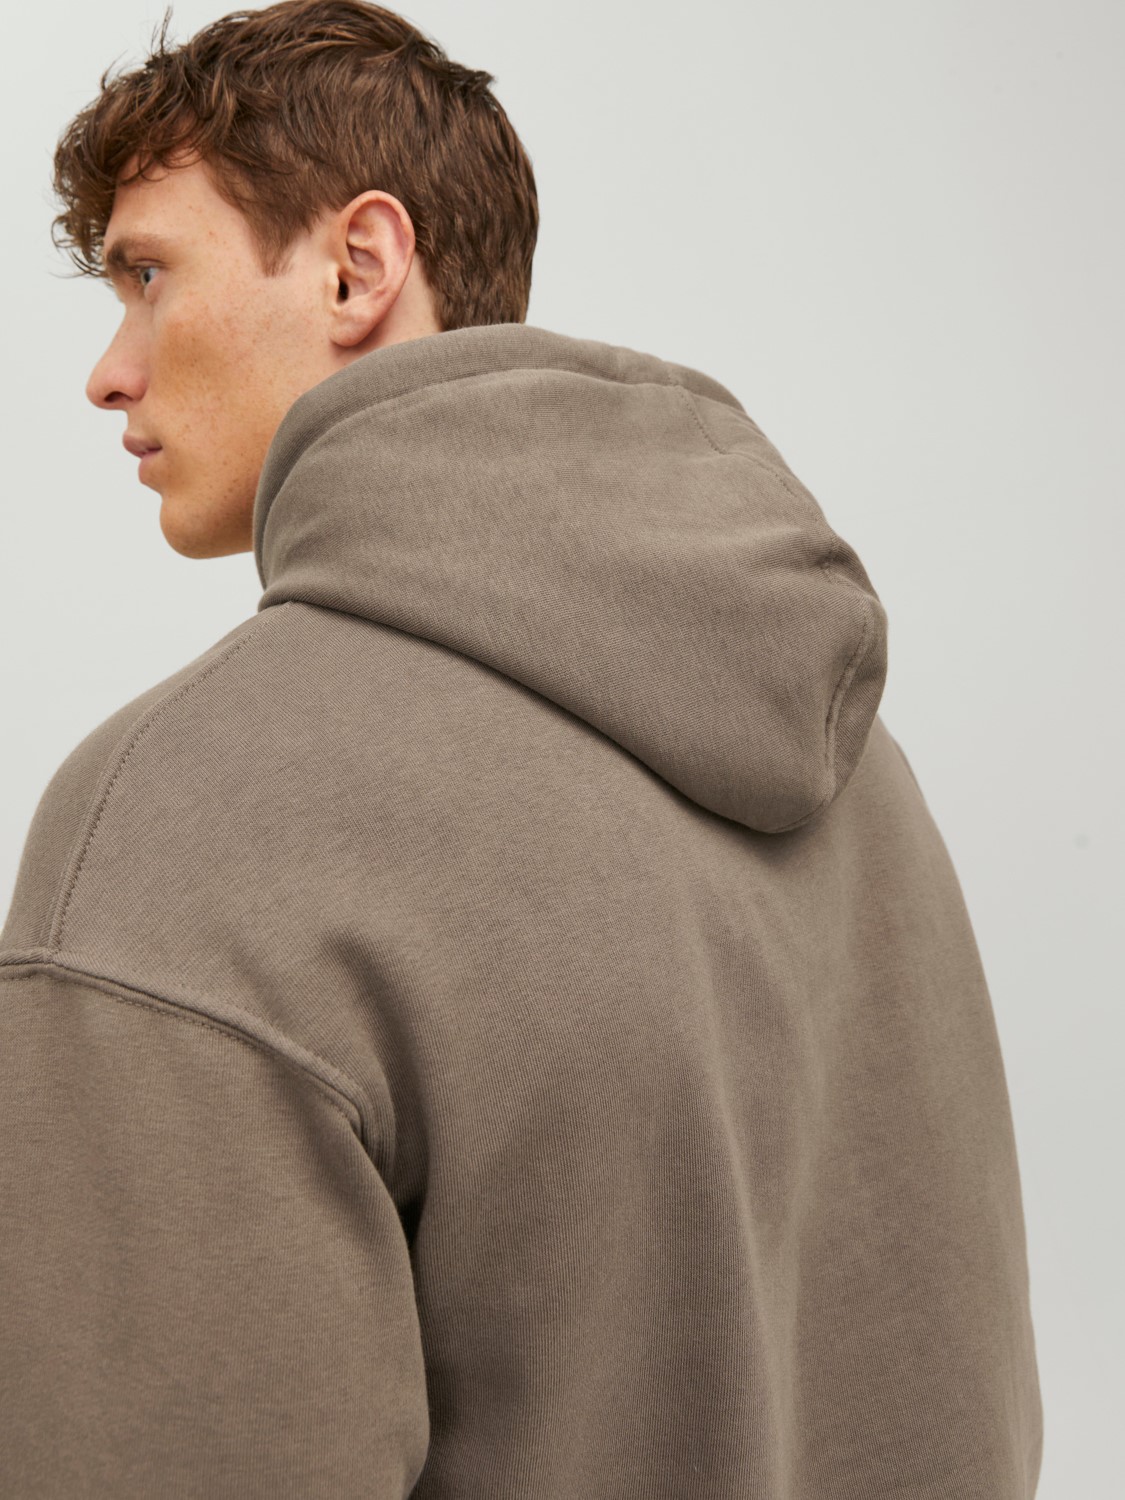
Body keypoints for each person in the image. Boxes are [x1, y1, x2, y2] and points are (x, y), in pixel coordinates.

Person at [0, 1, 1043, 1495]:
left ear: (359, 266)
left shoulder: (182, 819)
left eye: (150, 276)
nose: (109, 371)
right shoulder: (848, 758)